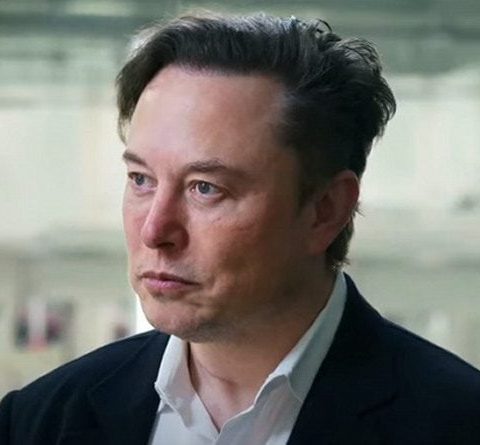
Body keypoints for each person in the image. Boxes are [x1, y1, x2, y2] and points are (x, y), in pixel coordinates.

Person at [1, 12, 480, 445]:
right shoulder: (38, 420)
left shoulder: (456, 423)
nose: (154, 230)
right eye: (141, 179)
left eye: (205, 188)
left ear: (325, 210)